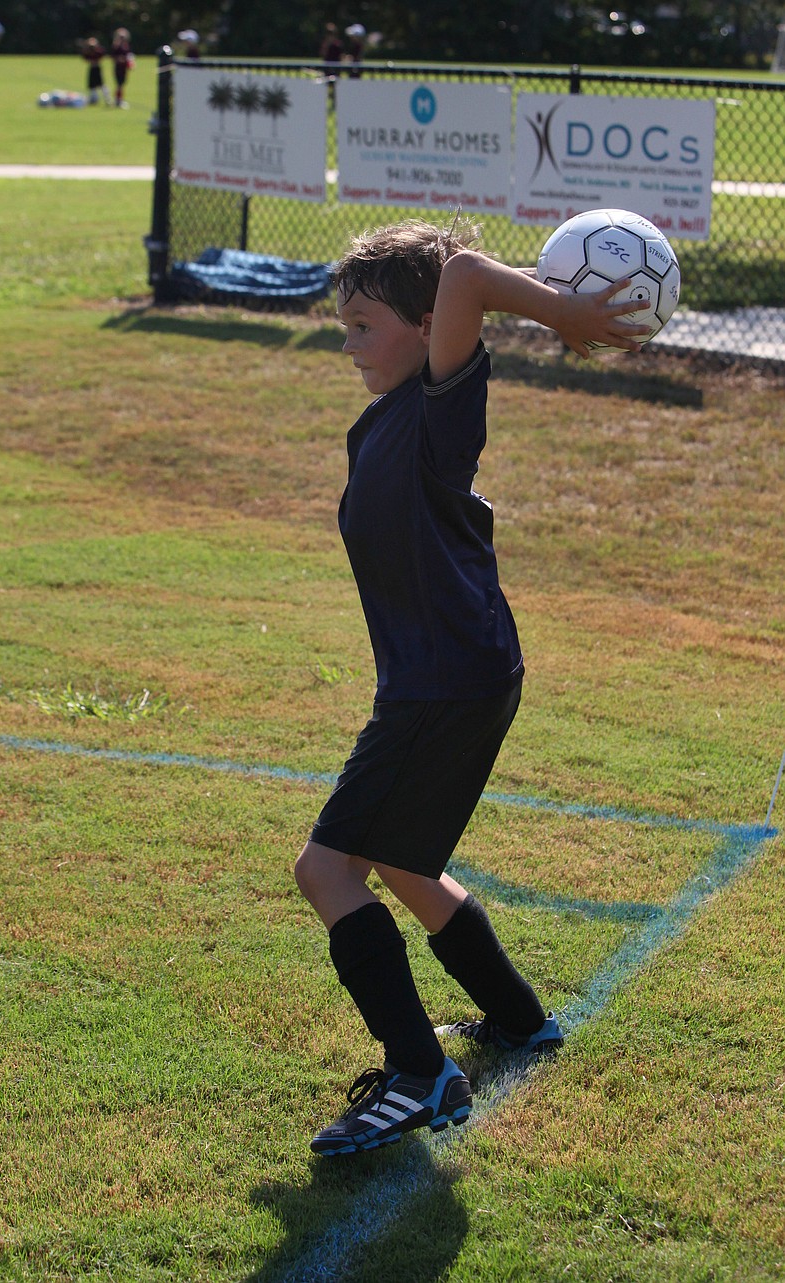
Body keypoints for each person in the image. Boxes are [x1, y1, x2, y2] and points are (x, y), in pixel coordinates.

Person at [294, 218, 648, 1157]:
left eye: (364, 323)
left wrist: (562, 310)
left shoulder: (443, 405)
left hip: (442, 685)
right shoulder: (381, 422)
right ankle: (520, 1020)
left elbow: (461, 276)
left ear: (424, 327)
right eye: (345, 323)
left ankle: (419, 1075)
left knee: (326, 870)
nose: (348, 340)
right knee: (405, 863)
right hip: (444, 677)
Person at [80, 37, 111, 106]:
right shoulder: (88, 51)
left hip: (97, 68)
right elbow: (85, 57)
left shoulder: (98, 51)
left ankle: (107, 99)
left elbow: (101, 54)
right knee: (92, 85)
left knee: (101, 84)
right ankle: (94, 99)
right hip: (92, 68)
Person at [110, 27, 133, 108]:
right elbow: (113, 57)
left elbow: (129, 55)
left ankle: (119, 99)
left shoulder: (126, 46)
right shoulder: (116, 46)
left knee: (122, 84)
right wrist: (120, 59)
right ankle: (118, 100)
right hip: (118, 67)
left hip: (124, 68)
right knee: (119, 84)